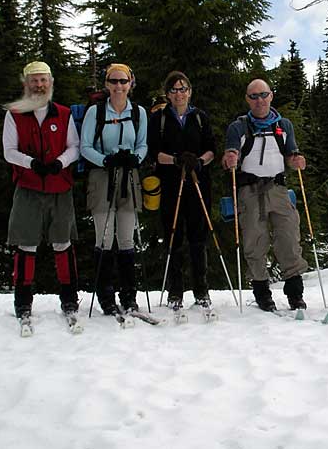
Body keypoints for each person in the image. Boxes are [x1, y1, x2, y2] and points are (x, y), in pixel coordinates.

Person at [2, 61, 81, 322]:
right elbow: (9, 151)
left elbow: (74, 147)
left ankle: (69, 298)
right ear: (26, 84)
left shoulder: (63, 113)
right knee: (26, 243)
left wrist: (61, 162)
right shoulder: (14, 114)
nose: (39, 85)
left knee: (63, 242)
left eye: (43, 80)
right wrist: (32, 164)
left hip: (59, 185)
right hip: (29, 186)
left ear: (51, 82)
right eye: (34, 80)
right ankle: (23, 300)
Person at [221, 79, 308, 312]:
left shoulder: (284, 125)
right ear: (247, 100)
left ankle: (295, 294)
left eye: (263, 95)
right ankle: (262, 293)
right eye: (254, 96)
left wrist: (297, 161)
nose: (259, 100)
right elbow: (230, 155)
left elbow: (290, 154)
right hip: (249, 190)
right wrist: (230, 158)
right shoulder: (238, 127)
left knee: (289, 238)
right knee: (254, 241)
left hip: (278, 188)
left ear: (271, 96)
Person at [80, 63, 148, 314]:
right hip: (102, 176)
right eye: (114, 81)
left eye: (123, 81)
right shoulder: (95, 112)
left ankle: (129, 295)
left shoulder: (138, 112)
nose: (119, 86)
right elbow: (85, 146)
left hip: (129, 177)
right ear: (107, 84)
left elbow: (143, 144)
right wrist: (104, 160)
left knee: (127, 238)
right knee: (105, 238)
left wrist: (136, 159)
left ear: (131, 83)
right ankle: (106, 295)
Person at [147, 71, 216, 311]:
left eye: (183, 88)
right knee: (173, 236)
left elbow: (211, 149)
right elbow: (153, 151)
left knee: (198, 237)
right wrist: (175, 160)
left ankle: (201, 289)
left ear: (190, 91)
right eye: (174, 89)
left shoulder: (199, 117)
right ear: (167, 93)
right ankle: (175, 290)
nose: (179, 93)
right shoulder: (159, 118)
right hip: (171, 183)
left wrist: (199, 161)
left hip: (197, 182)